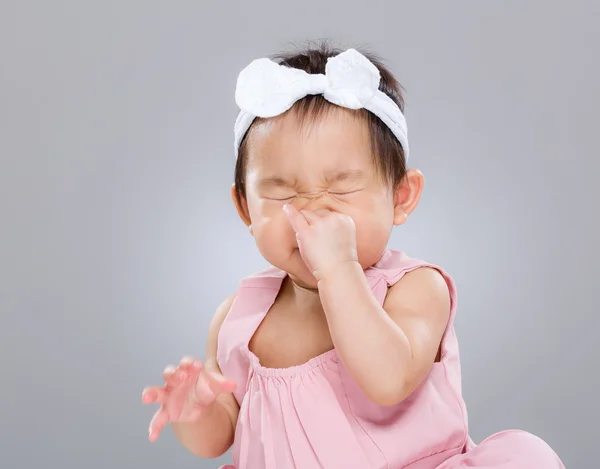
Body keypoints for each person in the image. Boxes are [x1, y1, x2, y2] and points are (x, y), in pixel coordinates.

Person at [141, 42, 565, 468]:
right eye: (284, 191)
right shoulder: (238, 317)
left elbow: (389, 380)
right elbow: (221, 435)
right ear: (245, 208)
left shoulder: (416, 289)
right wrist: (195, 412)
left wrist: (339, 270)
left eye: (340, 188)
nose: (311, 208)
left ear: (401, 197)